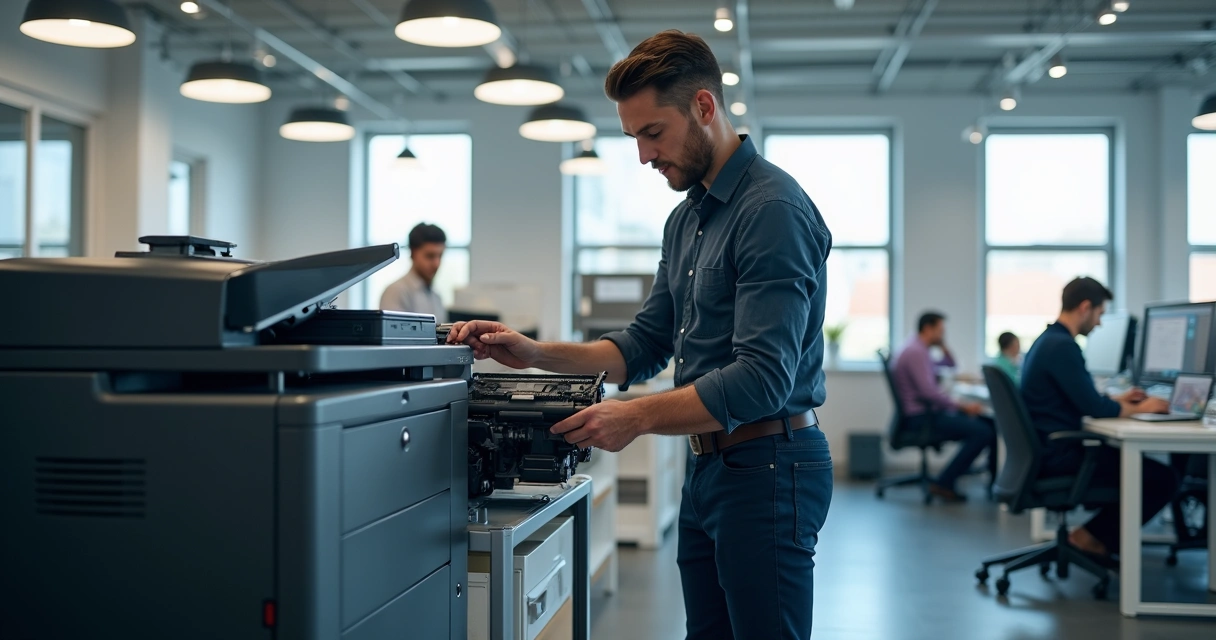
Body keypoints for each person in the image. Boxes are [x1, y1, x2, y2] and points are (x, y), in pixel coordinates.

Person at [449, 30, 833, 640]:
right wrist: (533, 353)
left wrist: (636, 417)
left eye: (653, 133)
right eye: (633, 138)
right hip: (708, 468)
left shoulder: (771, 211)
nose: (644, 156)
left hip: (768, 465)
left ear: (703, 107)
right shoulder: (686, 220)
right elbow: (643, 346)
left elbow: (762, 379)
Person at [1021, 277, 1176, 558]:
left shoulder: (1048, 341)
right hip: (1061, 457)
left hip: (1047, 451)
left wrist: (1119, 400)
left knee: (1141, 469)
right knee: (1162, 478)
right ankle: (1090, 538)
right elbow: (1096, 408)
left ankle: (1094, 536)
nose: (1100, 323)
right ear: (1085, 307)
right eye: (1100, 314)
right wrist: (1144, 407)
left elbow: (1081, 398)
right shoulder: (1063, 347)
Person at [891, 311, 996, 502]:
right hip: (921, 418)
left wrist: (943, 346)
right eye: (940, 331)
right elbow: (929, 393)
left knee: (987, 423)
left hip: (926, 414)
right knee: (983, 431)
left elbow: (950, 365)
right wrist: (962, 407)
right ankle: (945, 482)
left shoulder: (919, 348)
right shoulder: (915, 352)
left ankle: (987, 481)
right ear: (928, 328)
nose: (942, 335)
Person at [379, 222, 447, 322]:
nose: (436, 264)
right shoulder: (396, 292)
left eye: (440, 256)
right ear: (412, 253)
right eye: (430, 256)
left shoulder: (436, 296)